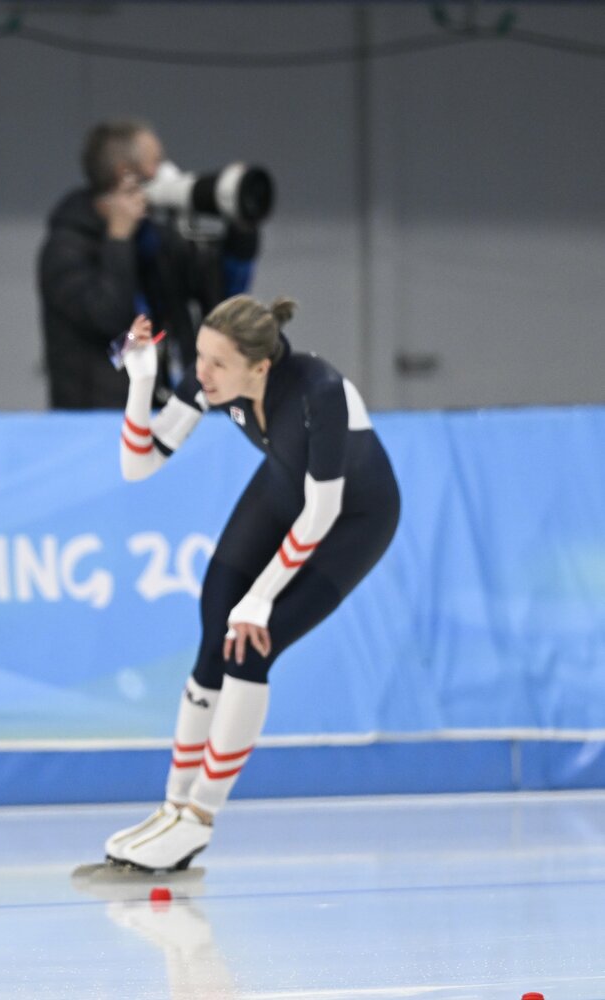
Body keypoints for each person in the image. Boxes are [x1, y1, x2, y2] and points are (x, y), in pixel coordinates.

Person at [104, 295, 399, 872]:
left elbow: (322, 512)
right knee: (215, 623)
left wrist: (262, 599)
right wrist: (142, 381)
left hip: (352, 519)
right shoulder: (216, 378)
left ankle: (199, 819)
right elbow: (139, 462)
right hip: (284, 485)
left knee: (248, 648)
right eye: (199, 359)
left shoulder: (320, 391)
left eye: (216, 364)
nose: (202, 375)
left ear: (259, 368)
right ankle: (172, 808)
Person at [37, 120, 260, 410]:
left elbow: (220, 292)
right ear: (124, 174)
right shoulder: (67, 248)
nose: (165, 170)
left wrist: (241, 225)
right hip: (97, 426)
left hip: (165, 419)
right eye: (156, 161)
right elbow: (110, 321)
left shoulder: (155, 239)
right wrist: (118, 239)